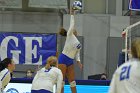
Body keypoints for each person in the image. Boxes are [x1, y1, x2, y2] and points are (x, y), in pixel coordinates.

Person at [58, 8, 83, 93]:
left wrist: (78, 61)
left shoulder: (78, 43)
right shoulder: (69, 35)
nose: (73, 30)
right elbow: (72, 24)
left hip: (70, 60)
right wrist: (72, 14)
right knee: (61, 80)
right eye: (72, 29)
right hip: (63, 58)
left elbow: (77, 53)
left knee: (72, 81)